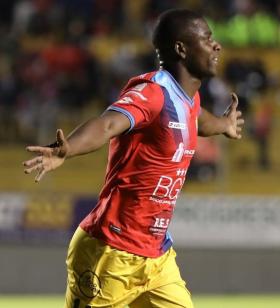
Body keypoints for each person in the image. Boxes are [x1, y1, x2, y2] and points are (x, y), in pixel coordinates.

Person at [22, 9, 244, 308]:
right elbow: (108, 124)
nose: (216, 45)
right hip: (110, 253)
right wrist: (68, 148)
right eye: (207, 39)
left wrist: (224, 125)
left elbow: (198, 120)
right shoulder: (153, 93)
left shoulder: (188, 100)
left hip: (157, 258)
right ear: (181, 48)